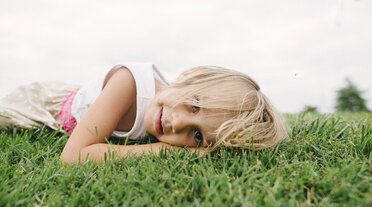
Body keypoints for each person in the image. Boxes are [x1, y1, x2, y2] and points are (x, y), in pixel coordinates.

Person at [0, 62, 287, 164]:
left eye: (197, 136)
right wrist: (168, 151)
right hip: (45, 103)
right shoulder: (129, 82)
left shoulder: (170, 114)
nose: (179, 123)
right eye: (195, 105)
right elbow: (73, 156)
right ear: (192, 74)